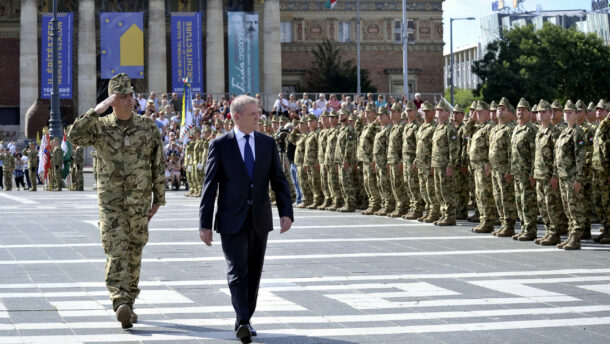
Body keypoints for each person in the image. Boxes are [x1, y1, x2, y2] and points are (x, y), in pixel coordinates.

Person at [68, 73, 166, 329]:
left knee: (135, 251)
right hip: (111, 204)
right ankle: (119, 299)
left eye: (131, 95)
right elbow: (74, 136)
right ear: (112, 100)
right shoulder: (101, 128)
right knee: (115, 251)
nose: (129, 100)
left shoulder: (147, 127)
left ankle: (129, 302)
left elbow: (158, 164)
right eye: (123, 96)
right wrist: (97, 110)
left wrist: (159, 199)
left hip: (139, 203)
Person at [198, 95, 293, 344]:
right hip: (231, 219)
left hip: (259, 218)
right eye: (253, 114)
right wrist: (205, 223)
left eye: (258, 113)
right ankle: (242, 320)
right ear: (237, 117)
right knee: (237, 270)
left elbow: (278, 180)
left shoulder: (267, 143)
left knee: (254, 272)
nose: (258, 117)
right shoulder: (220, 145)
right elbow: (210, 187)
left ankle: (246, 317)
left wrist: (286, 212)